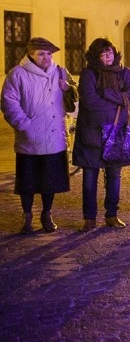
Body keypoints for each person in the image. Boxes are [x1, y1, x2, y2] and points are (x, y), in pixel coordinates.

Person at [1, 37, 74, 234]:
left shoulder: (59, 71)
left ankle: (47, 213)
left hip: (54, 137)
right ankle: (27, 215)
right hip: (30, 138)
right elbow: (9, 102)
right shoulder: (17, 74)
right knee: (28, 181)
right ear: (31, 54)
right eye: (41, 54)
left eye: (49, 54)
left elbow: (74, 96)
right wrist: (24, 124)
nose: (46, 58)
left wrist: (68, 88)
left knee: (49, 180)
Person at [72, 38, 130, 230]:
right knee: (90, 177)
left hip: (116, 131)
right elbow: (90, 102)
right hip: (91, 132)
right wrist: (118, 100)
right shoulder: (88, 73)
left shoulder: (125, 73)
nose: (107, 56)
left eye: (109, 52)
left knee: (114, 176)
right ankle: (89, 218)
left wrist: (107, 94)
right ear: (95, 56)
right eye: (103, 53)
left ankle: (112, 215)